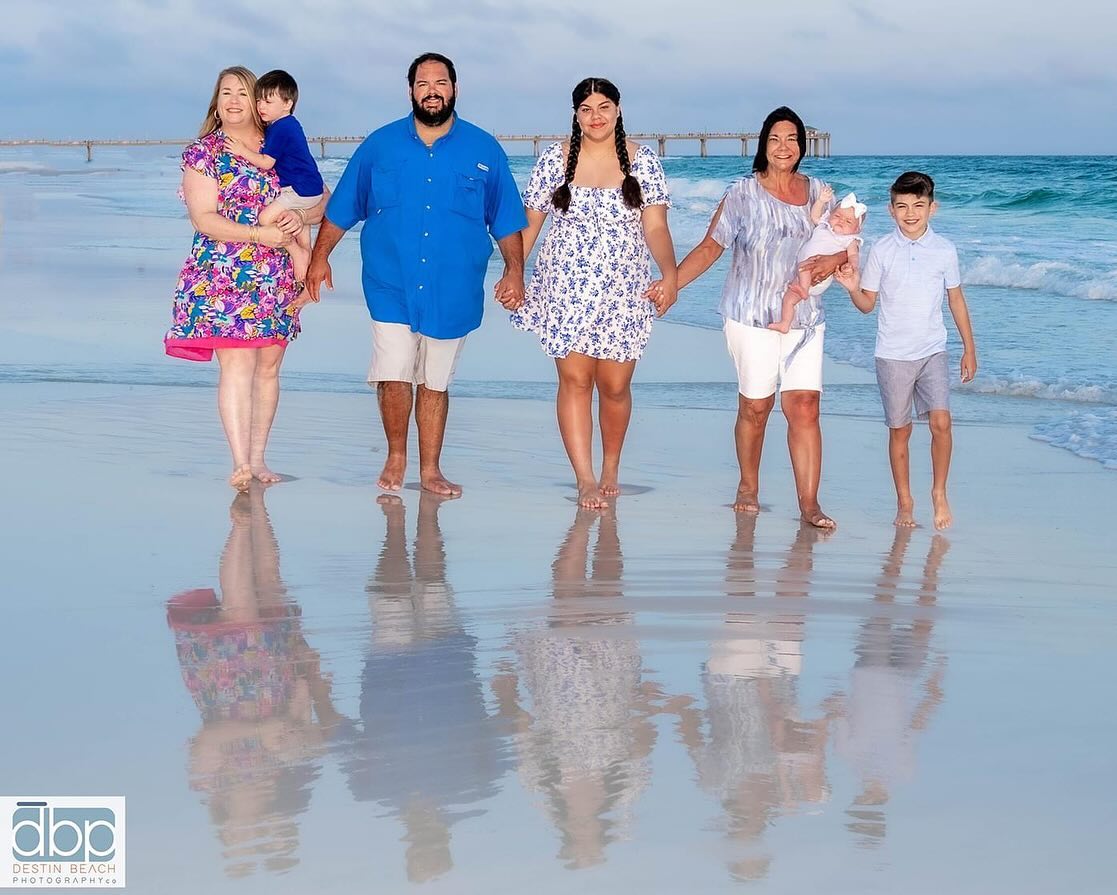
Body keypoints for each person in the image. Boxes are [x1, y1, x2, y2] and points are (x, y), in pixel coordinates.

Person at [305, 52, 527, 496]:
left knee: (435, 380)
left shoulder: (484, 149)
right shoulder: (379, 146)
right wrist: (319, 256)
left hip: (455, 288)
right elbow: (343, 206)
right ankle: (396, 455)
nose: (432, 90)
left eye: (440, 82)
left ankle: (430, 470)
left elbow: (505, 219)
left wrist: (515, 272)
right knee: (394, 370)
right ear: (411, 91)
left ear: (454, 89)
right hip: (391, 281)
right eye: (423, 83)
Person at [674, 107, 847, 527]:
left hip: (805, 316)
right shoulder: (742, 194)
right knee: (757, 406)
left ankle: (809, 504)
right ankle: (748, 485)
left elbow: (848, 239)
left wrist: (836, 258)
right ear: (763, 146)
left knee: (805, 406)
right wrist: (670, 286)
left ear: (802, 146)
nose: (783, 147)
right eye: (775, 139)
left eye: (791, 139)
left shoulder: (820, 192)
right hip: (750, 315)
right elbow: (710, 247)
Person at [510, 77, 677, 509]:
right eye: (586, 109)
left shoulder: (644, 162)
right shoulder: (555, 160)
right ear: (575, 115)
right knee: (575, 380)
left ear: (618, 110)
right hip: (565, 286)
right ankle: (585, 478)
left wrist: (670, 273)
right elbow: (530, 225)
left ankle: (611, 467)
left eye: (604, 107)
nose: (596, 116)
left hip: (624, 289)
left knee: (615, 386)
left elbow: (656, 227)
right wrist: (514, 273)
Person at [165, 66, 325, 491]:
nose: (234, 100)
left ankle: (259, 459)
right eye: (225, 92)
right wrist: (262, 234)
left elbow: (318, 198)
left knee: (269, 367)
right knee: (236, 364)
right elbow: (203, 219)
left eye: (242, 92)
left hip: (275, 276)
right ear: (216, 102)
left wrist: (298, 218)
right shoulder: (205, 152)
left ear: (257, 99)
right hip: (223, 276)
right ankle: (239, 462)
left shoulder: (276, 141)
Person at [835, 171, 977, 529]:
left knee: (941, 422)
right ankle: (904, 502)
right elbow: (868, 304)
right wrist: (852, 287)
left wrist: (969, 348)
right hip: (892, 354)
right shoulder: (882, 250)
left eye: (918, 205)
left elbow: (956, 299)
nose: (910, 213)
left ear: (933, 208)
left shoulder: (944, 250)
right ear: (890, 209)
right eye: (902, 206)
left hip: (933, 349)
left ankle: (939, 492)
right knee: (900, 430)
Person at [224, 69, 325, 283]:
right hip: (309, 187)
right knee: (300, 230)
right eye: (258, 101)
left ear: (287, 103)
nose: (261, 106)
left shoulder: (280, 128)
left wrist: (242, 150)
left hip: (300, 189)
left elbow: (266, 162)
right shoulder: (288, 124)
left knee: (265, 218)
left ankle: (296, 252)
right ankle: (305, 256)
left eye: (268, 102)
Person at [768, 190, 865, 335]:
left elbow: (853, 256)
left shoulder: (850, 240)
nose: (841, 221)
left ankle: (804, 289)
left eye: (848, 221)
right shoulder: (823, 226)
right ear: (830, 215)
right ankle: (785, 323)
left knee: (803, 267)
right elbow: (814, 215)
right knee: (789, 300)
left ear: (857, 229)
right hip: (803, 278)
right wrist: (821, 201)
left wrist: (852, 267)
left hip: (818, 276)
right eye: (837, 216)